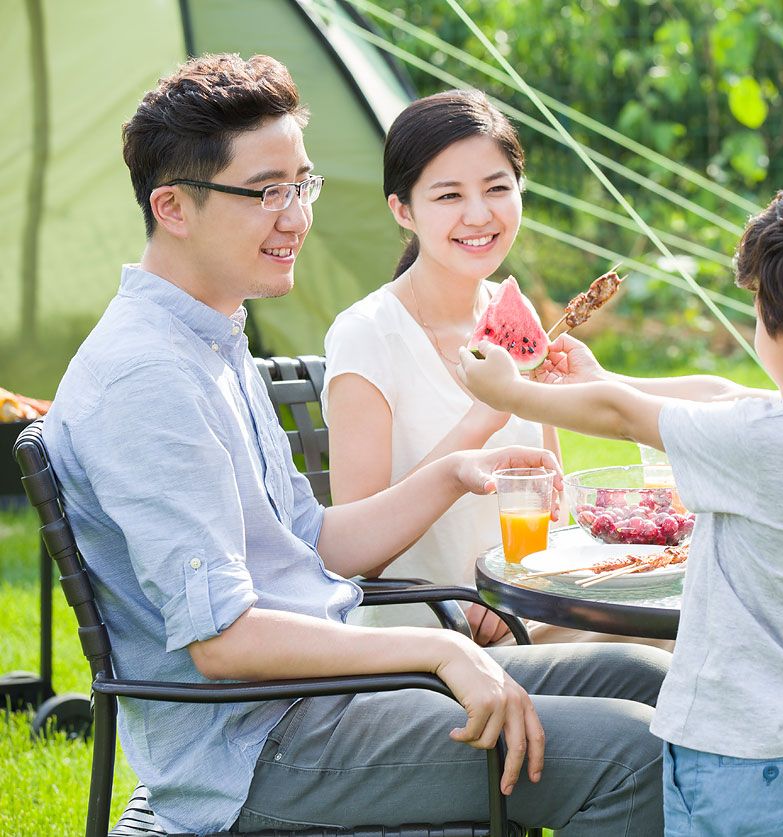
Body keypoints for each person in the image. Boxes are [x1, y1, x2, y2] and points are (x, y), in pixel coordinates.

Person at [42, 53, 667, 835]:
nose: (297, 216)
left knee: (649, 680)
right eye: (266, 191)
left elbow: (317, 542)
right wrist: (439, 652)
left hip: (329, 693)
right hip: (262, 744)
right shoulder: (147, 378)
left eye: (302, 184)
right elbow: (222, 642)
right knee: (633, 753)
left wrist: (451, 471)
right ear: (173, 206)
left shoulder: (211, 337)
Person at [459, 170, 783, 835]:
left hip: (737, 756)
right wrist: (606, 377)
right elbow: (726, 398)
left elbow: (625, 417)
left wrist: (512, 393)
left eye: (759, 310)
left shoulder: (765, 448)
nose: (754, 322)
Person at [323, 89, 555, 643]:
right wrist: (482, 417)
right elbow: (356, 560)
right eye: (448, 195)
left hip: (535, 617)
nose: (479, 215)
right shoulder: (367, 336)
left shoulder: (514, 317)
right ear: (403, 210)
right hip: (430, 641)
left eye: (498, 188)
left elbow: (553, 496)